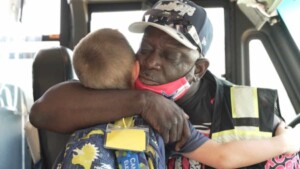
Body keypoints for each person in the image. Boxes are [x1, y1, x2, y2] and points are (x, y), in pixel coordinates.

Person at [30, 0, 300, 168]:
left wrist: (285, 142)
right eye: (145, 50)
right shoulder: (119, 90)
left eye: (171, 55)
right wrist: (144, 102)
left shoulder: (255, 114)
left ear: (198, 69)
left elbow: (225, 157)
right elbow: (42, 112)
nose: (151, 63)